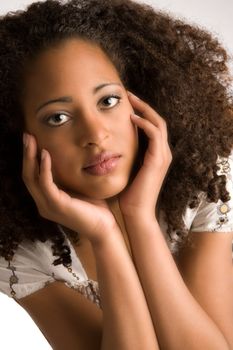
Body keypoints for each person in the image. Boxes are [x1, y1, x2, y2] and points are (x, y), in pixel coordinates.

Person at [0, 0, 232, 349]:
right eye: (58, 117)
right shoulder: (23, 252)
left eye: (108, 101)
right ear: (19, 138)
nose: (95, 134)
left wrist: (139, 219)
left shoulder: (204, 182)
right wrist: (105, 237)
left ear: (139, 101)